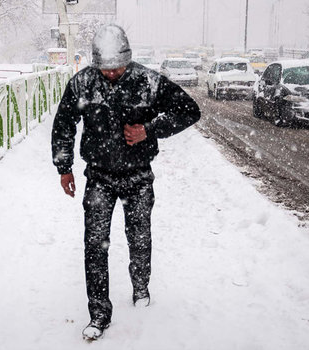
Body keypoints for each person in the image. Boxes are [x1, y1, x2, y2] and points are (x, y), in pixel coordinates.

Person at [51, 24, 201, 341]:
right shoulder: (83, 83)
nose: (111, 74)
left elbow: (190, 110)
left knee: (139, 237)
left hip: (138, 176)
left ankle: (141, 287)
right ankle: (99, 314)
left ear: (127, 59)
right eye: (105, 68)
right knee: (94, 245)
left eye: (117, 67)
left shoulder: (147, 81)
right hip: (99, 176)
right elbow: (64, 123)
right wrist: (64, 167)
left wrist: (150, 128)